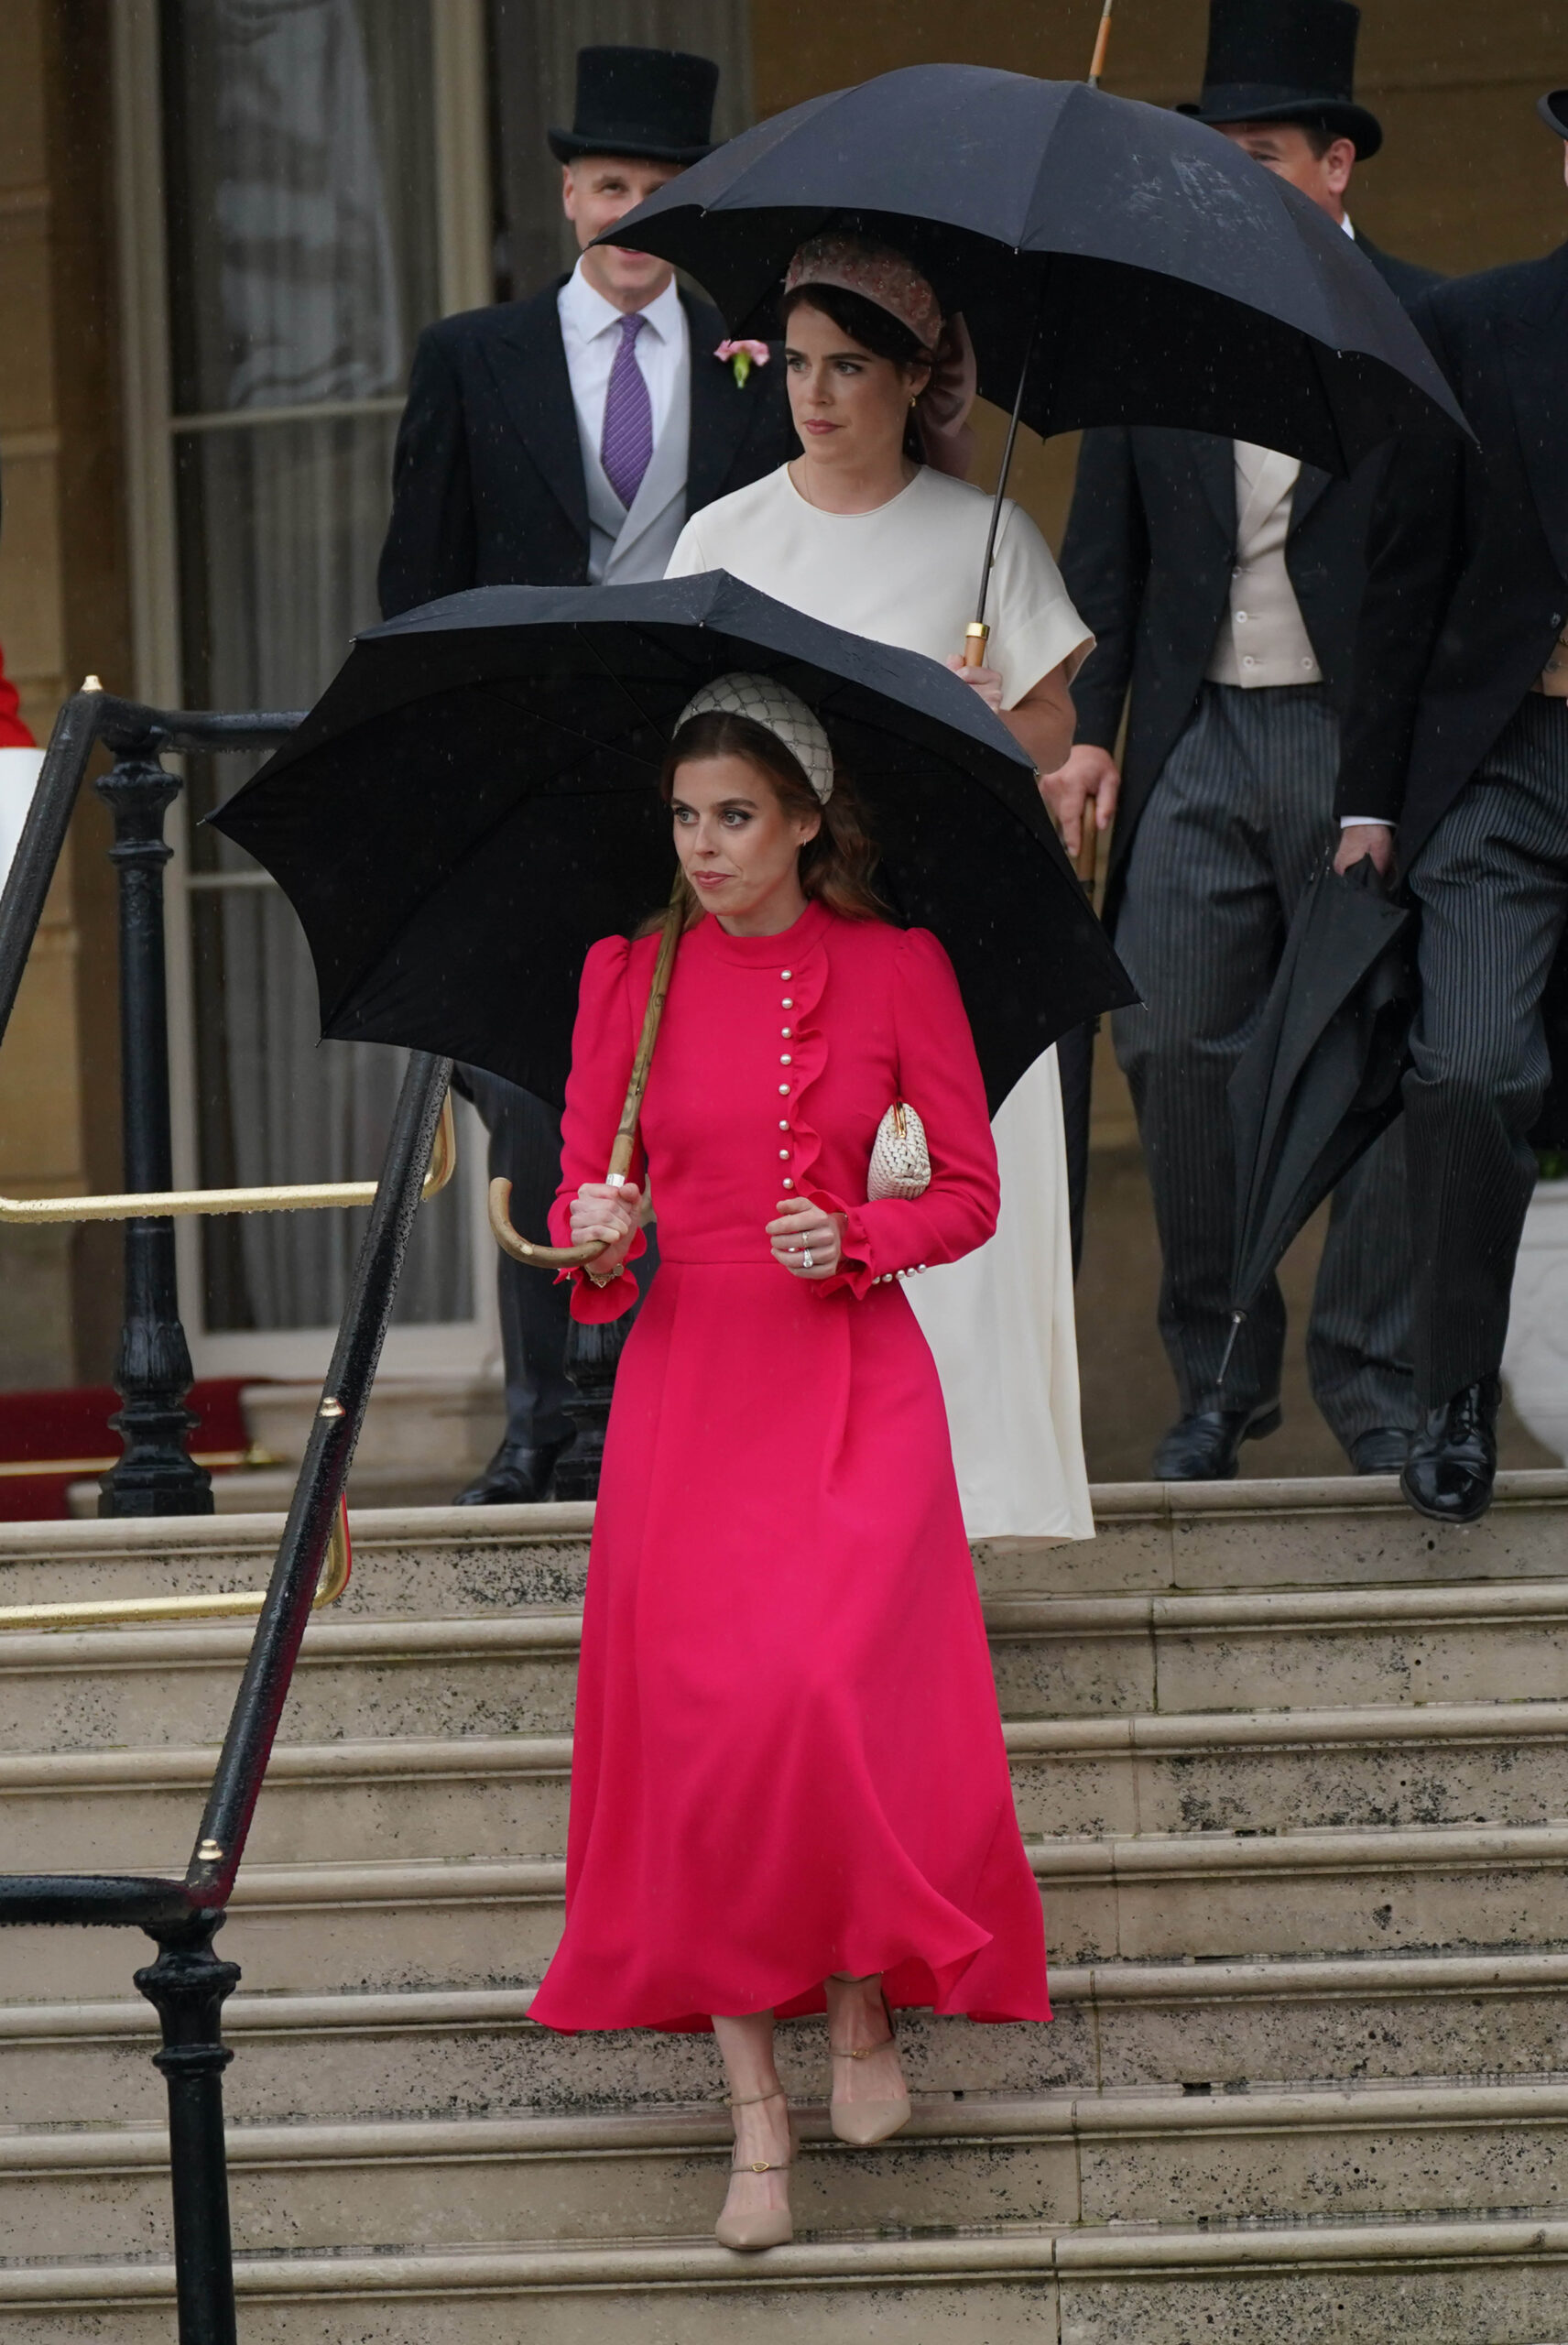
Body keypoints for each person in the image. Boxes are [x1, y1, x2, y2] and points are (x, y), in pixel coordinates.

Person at [527, 675, 1050, 2251]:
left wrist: (859, 1234)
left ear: (808, 821)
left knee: (818, 1697)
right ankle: (757, 2116)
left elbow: (968, 1192)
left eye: (735, 816)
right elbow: (580, 1208)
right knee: (701, 1744)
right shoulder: (623, 976)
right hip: (689, 1386)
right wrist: (591, 1235)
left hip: (846, 1377)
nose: (703, 845)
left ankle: (862, 2011)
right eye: (685, 817)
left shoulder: (895, 970)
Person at [377, 45, 791, 1504]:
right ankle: (544, 1420)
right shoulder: (470, 358)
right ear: (568, 197)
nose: (632, 217)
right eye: (611, 187)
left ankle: (658, 1415)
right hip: (519, 782)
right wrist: (427, 785)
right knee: (537, 1094)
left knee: (691, 1083)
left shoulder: (754, 361)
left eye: (663, 194)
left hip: (698, 773)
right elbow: (415, 590)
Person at [1055, 0, 1440, 1483]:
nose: (1230, 179)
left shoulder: (1424, 326)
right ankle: (1220, 1374)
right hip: (1199, 741)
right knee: (1170, 1039)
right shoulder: (1155, 335)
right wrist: (1089, 733)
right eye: (1210, 156)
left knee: (1388, 1060)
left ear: (1336, 164)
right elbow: (1106, 561)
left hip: (1367, 743)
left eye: (1262, 154)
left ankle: (1374, 1377)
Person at [667, 233, 1096, 1541]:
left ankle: (969, 1504)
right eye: (797, 364)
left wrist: (979, 715)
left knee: (933, 1203)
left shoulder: (986, 535)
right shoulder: (720, 536)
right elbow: (683, 731)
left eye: (848, 366)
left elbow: (1051, 724)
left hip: (938, 930)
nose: (816, 394)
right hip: (781, 937)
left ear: (915, 377)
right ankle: (799, 1501)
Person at [1328, 88, 1568, 1524]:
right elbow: (1402, 573)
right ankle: (1453, 1391)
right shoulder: (1476, 328)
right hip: (1507, 763)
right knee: (1469, 1069)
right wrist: (1370, 801)